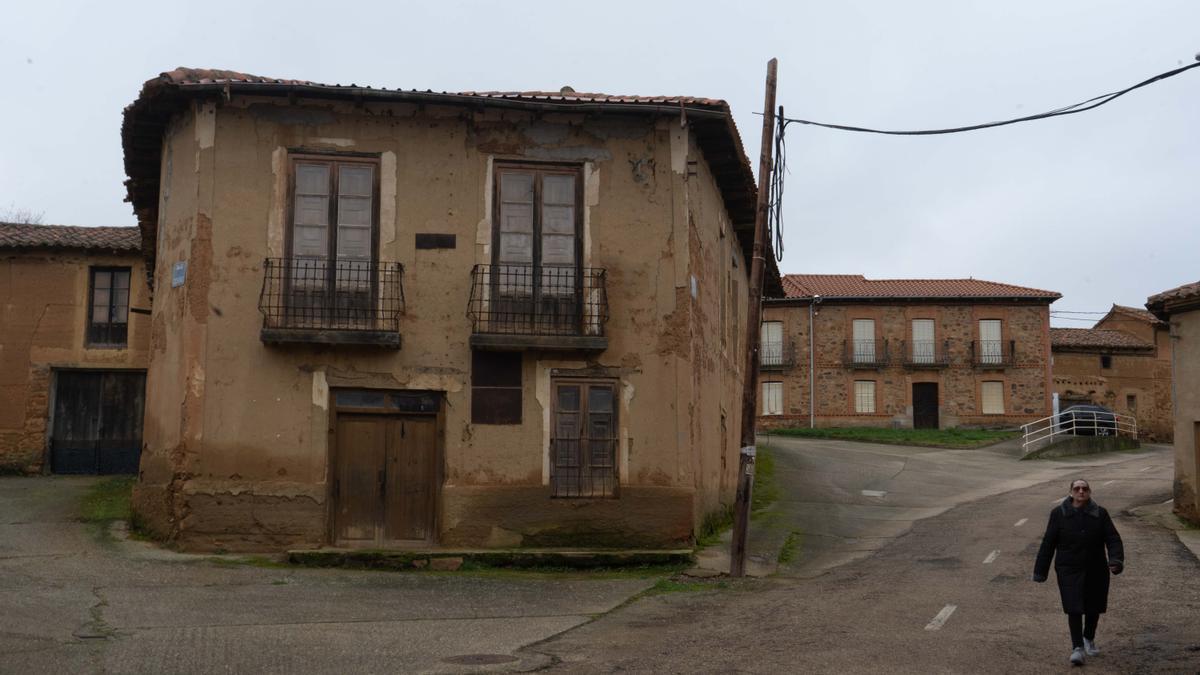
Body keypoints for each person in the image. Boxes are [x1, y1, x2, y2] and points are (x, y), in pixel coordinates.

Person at [1033, 479, 1124, 666]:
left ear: (1089, 492)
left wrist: (1115, 560)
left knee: (1093, 607)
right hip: (1068, 568)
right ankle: (1077, 648)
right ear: (1071, 492)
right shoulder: (1058, 514)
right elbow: (1048, 543)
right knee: (1073, 606)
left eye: (1085, 488)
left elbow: (1113, 539)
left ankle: (1088, 638)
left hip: (1096, 568)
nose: (1081, 491)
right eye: (1077, 488)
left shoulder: (1100, 514)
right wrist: (1040, 571)